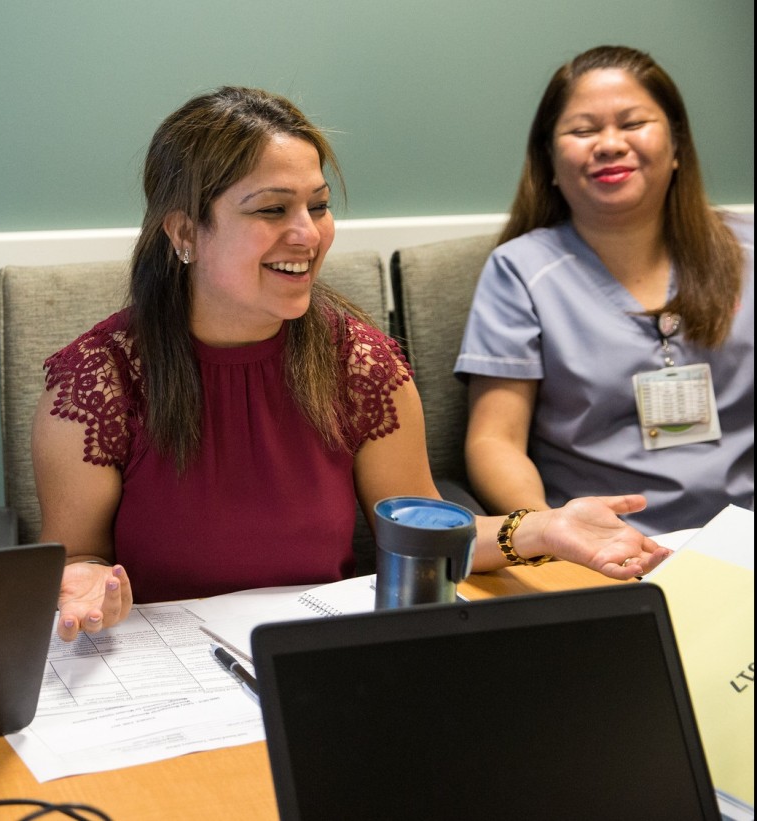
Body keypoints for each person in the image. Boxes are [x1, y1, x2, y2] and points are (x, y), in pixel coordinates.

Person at [34, 86, 670, 641]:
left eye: (317, 204)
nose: (308, 235)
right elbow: (78, 556)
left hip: (311, 654)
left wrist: (544, 529)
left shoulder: (358, 362)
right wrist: (84, 585)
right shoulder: (100, 380)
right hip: (159, 671)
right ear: (184, 234)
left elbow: (423, 534)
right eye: (270, 209)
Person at [456, 46, 753, 535]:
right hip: (605, 549)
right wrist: (549, 530)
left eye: (633, 123)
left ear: (677, 145)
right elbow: (494, 442)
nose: (610, 144)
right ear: (549, 160)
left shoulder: (747, 253)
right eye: (584, 130)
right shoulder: (521, 271)